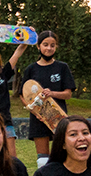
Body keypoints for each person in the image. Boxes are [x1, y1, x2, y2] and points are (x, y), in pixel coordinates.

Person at [17, 31, 76, 168]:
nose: (49, 48)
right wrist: (35, 112)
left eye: (52, 45)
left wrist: (52, 94)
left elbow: (68, 94)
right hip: (39, 119)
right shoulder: (31, 69)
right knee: (43, 160)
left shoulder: (62, 67)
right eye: (45, 45)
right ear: (38, 46)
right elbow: (23, 95)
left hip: (58, 117)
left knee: (62, 156)